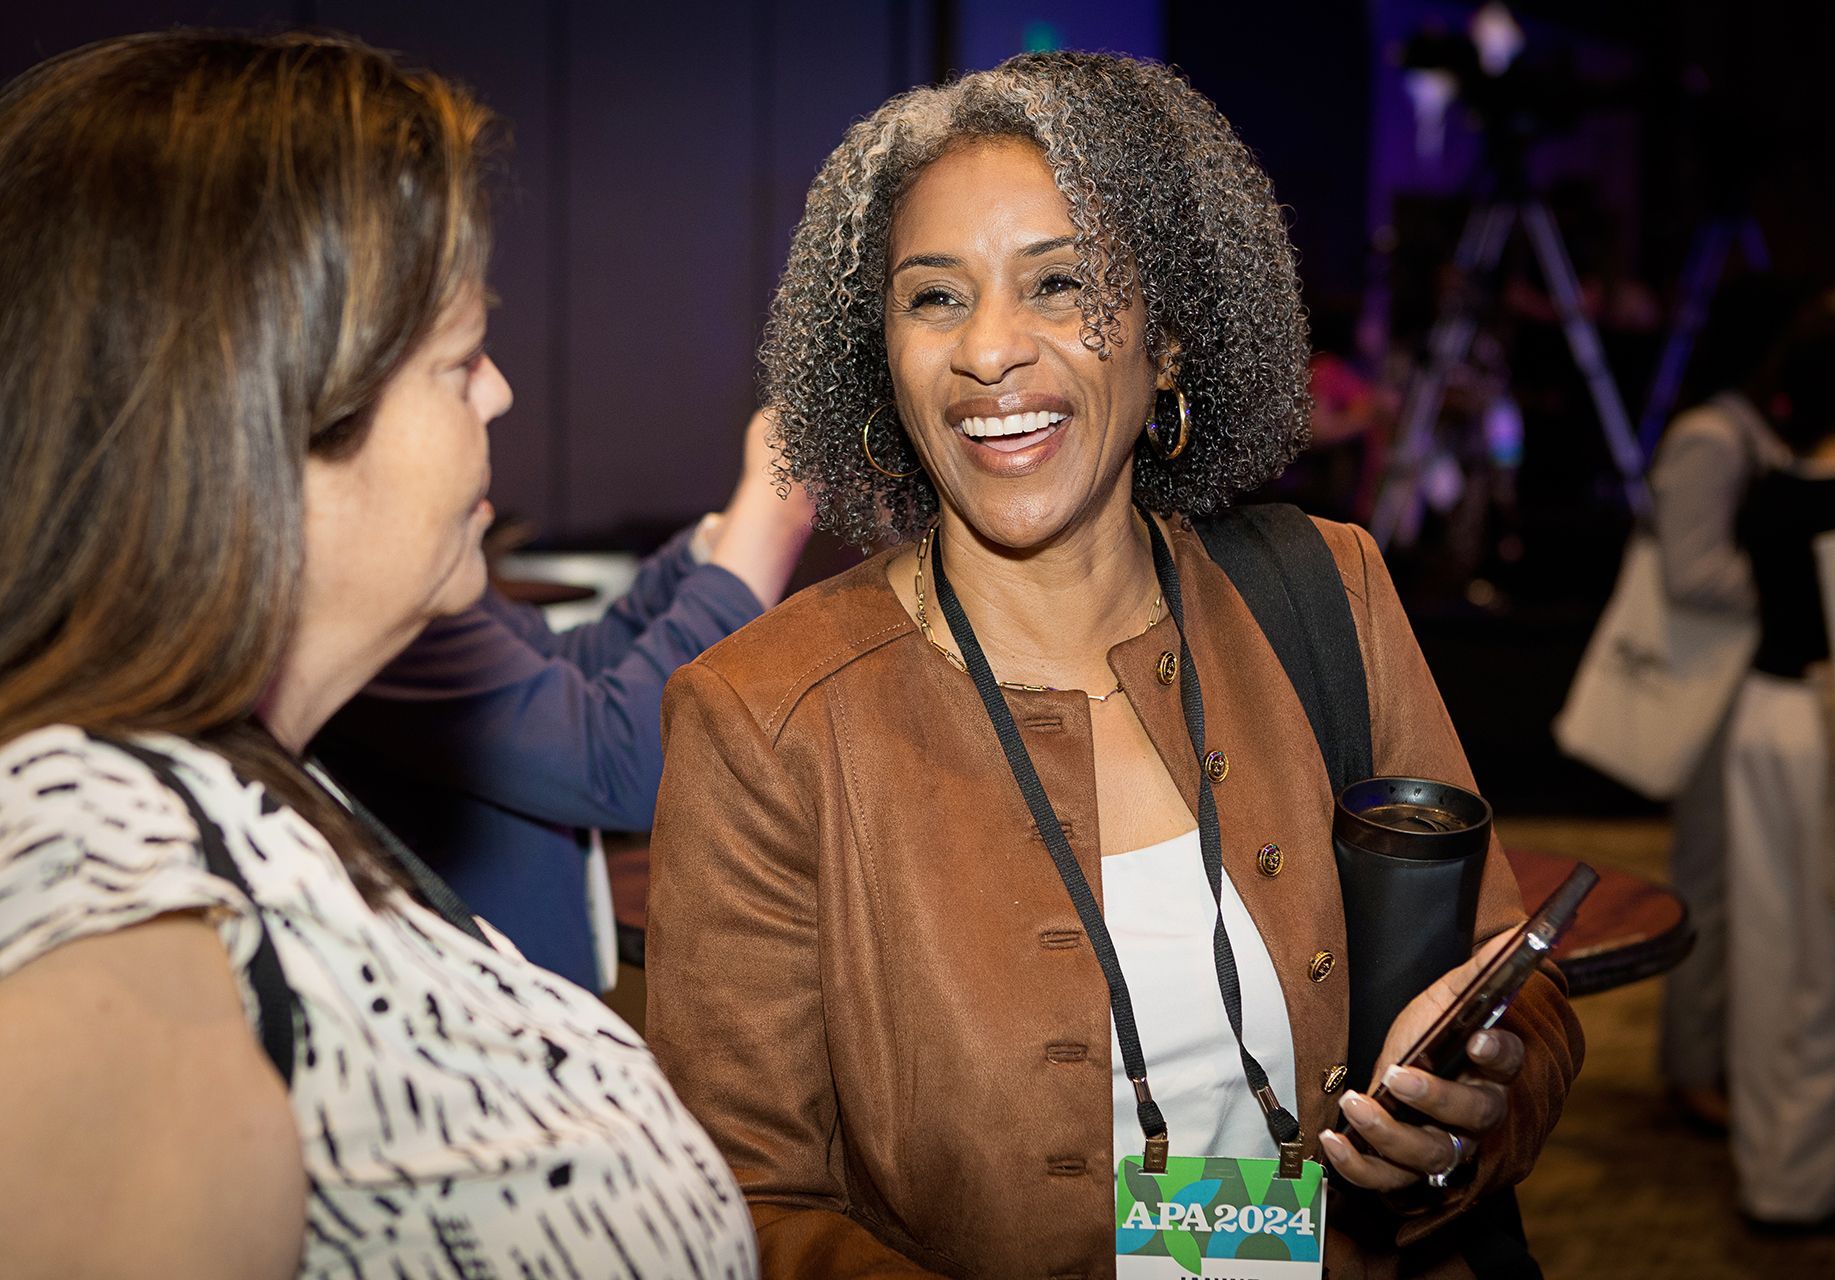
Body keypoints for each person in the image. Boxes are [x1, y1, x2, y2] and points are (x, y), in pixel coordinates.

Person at [644, 52, 1582, 1278]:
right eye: (934, 298)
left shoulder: (1325, 593)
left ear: (1173, 340)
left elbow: (1519, 992)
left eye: (1061, 282)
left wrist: (1471, 1117)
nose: (990, 349)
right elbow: (740, 1206)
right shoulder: (763, 719)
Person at [0, 31, 755, 1277]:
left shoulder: (232, 776)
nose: (500, 393)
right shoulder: (97, 853)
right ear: (262, 415)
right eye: (459, 358)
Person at [316, 408, 813, 989]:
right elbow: (621, 760)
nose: (498, 390)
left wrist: (724, 538)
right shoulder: (371, 600)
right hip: (483, 1019)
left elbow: (575, 665)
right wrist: (775, 517)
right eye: (458, 360)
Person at [1724, 308, 1835, 1230]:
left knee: (1767, 946)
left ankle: (1767, 1170)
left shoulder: (1770, 491)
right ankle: (1808, 1184)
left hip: (1762, 713)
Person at [1646, 277, 1797, 1130]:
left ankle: (1711, 1058)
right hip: (1710, 684)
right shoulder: (1712, 435)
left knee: (1737, 884)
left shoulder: (1747, 427)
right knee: (1707, 882)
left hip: (1743, 681)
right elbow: (1691, 568)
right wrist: (1797, 585)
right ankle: (1690, 1065)